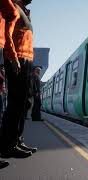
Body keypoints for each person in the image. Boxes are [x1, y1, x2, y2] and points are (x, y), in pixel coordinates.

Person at [0, 0, 37, 159]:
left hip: (26, 60)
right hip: (18, 60)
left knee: (24, 103)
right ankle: (8, 145)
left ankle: (17, 139)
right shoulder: (15, 7)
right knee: (16, 103)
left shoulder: (24, 11)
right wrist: (13, 57)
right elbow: (8, 32)